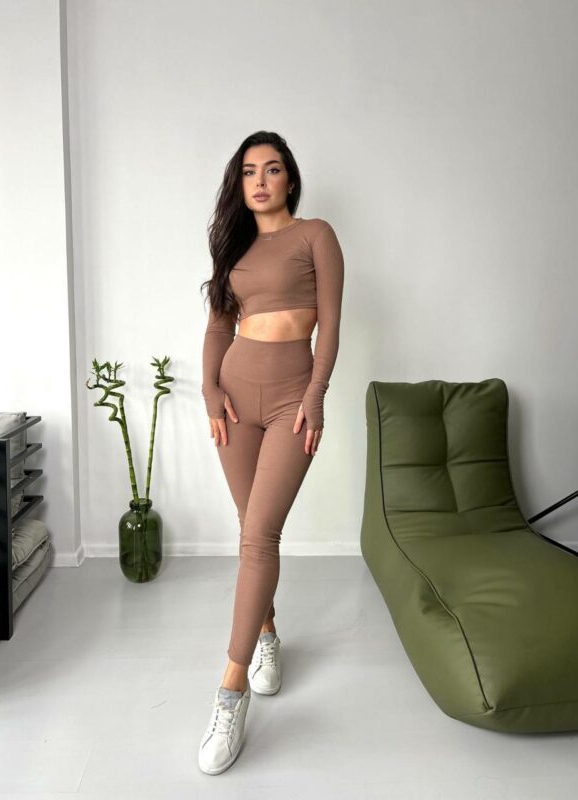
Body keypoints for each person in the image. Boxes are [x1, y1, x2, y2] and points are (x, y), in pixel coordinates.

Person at [198, 130, 344, 775]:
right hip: (235, 396)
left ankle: (229, 696)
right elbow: (218, 325)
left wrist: (316, 394)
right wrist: (208, 390)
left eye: (273, 169)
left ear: (290, 179)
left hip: (292, 399)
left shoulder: (316, 235)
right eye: (249, 171)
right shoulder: (233, 246)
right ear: (240, 183)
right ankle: (266, 634)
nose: (260, 181)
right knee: (248, 527)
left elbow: (330, 323)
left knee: (260, 534)